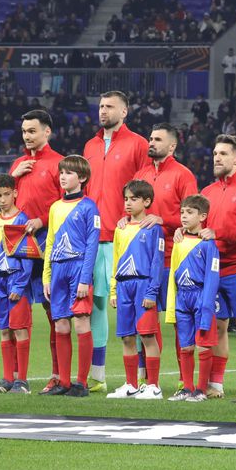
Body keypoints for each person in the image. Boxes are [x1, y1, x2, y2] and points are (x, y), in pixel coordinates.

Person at [83, 91, 150, 392]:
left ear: (125, 111)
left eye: (109, 106)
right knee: (96, 304)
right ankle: (97, 376)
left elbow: (146, 188)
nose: (103, 111)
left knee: (133, 308)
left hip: (124, 237)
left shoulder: (138, 144)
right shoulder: (90, 145)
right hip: (93, 239)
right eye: (100, 106)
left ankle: (143, 377)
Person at [128, 123, 197, 382]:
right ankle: (146, 378)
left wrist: (163, 219)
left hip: (173, 258)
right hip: (144, 261)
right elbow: (133, 209)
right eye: (150, 137)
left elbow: (192, 215)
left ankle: (184, 380)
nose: (151, 142)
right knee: (146, 321)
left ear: (172, 146)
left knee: (180, 320)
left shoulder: (183, 175)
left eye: (157, 139)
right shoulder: (141, 173)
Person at [196, 134, 236, 400]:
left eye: (222, 154)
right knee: (219, 325)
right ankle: (217, 384)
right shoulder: (207, 193)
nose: (216, 158)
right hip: (213, 271)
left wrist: (218, 232)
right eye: (214, 153)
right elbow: (199, 228)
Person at [9, 109, 63, 393]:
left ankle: (57, 374)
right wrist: (13, 178)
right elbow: (4, 204)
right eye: (24, 131)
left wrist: (42, 220)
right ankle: (17, 378)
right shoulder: (18, 164)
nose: (27, 136)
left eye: (32, 131)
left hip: (46, 243)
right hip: (16, 245)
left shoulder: (59, 164)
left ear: (47, 132)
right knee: (16, 307)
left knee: (51, 309)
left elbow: (68, 205)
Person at [41, 155, 101, 398]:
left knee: (80, 322)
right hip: (57, 269)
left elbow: (92, 245)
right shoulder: (55, 207)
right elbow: (50, 242)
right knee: (61, 324)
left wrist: (85, 279)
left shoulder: (89, 207)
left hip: (78, 269)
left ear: (82, 177)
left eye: (68, 173)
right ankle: (63, 382)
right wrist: (46, 276)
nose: (63, 177)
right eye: (61, 172)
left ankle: (81, 383)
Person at [106, 180, 164, 400]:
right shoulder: (120, 229)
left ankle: (153, 385)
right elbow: (116, 260)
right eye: (126, 199)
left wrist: (151, 292)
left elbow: (157, 263)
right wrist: (113, 290)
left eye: (134, 199)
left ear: (147, 201)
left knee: (147, 335)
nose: (128, 203)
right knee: (127, 337)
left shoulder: (153, 229)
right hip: (124, 286)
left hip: (143, 285)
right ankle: (130, 384)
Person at [0, 174, 35, 394]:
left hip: (16, 280)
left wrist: (19, 285)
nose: (2, 199)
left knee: (20, 329)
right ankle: (6, 379)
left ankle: (22, 381)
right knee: (4, 330)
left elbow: (28, 255)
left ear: (15, 193)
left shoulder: (23, 220)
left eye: (6, 194)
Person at [166, 195, 221, 402]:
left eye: (190, 212)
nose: (184, 216)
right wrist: (172, 305)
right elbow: (173, 274)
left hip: (201, 298)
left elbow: (212, 277)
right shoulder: (178, 239)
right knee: (186, 346)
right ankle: (187, 388)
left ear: (202, 216)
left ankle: (200, 389)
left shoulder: (208, 244)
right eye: (182, 212)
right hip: (183, 298)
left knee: (204, 345)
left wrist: (207, 306)